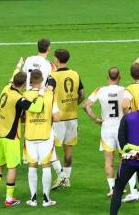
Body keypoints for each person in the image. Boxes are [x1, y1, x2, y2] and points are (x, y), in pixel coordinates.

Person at [0, 69, 33, 208]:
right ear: (23, 84)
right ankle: (9, 198)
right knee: (12, 167)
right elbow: (36, 107)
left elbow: (12, 77)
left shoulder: (5, 88)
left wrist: (18, 66)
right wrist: (40, 93)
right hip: (10, 136)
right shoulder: (19, 99)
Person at [84, 67, 126, 198]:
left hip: (106, 128)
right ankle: (121, 186)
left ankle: (112, 188)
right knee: (123, 159)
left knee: (109, 160)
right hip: (121, 128)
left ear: (107, 78)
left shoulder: (100, 90)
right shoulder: (124, 90)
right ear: (119, 77)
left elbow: (86, 105)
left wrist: (95, 118)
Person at [22, 69, 60, 208]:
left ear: (30, 80)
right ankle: (46, 199)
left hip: (30, 136)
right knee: (46, 167)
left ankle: (33, 199)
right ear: (42, 79)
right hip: (45, 136)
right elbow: (57, 117)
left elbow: (21, 117)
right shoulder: (50, 95)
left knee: (32, 166)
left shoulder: (25, 95)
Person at [51, 49, 84, 190]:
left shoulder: (52, 76)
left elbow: (48, 97)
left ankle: (62, 175)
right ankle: (67, 179)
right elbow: (82, 94)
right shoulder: (75, 74)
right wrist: (73, 105)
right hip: (72, 116)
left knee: (49, 148)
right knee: (68, 150)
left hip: (58, 118)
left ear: (57, 60)